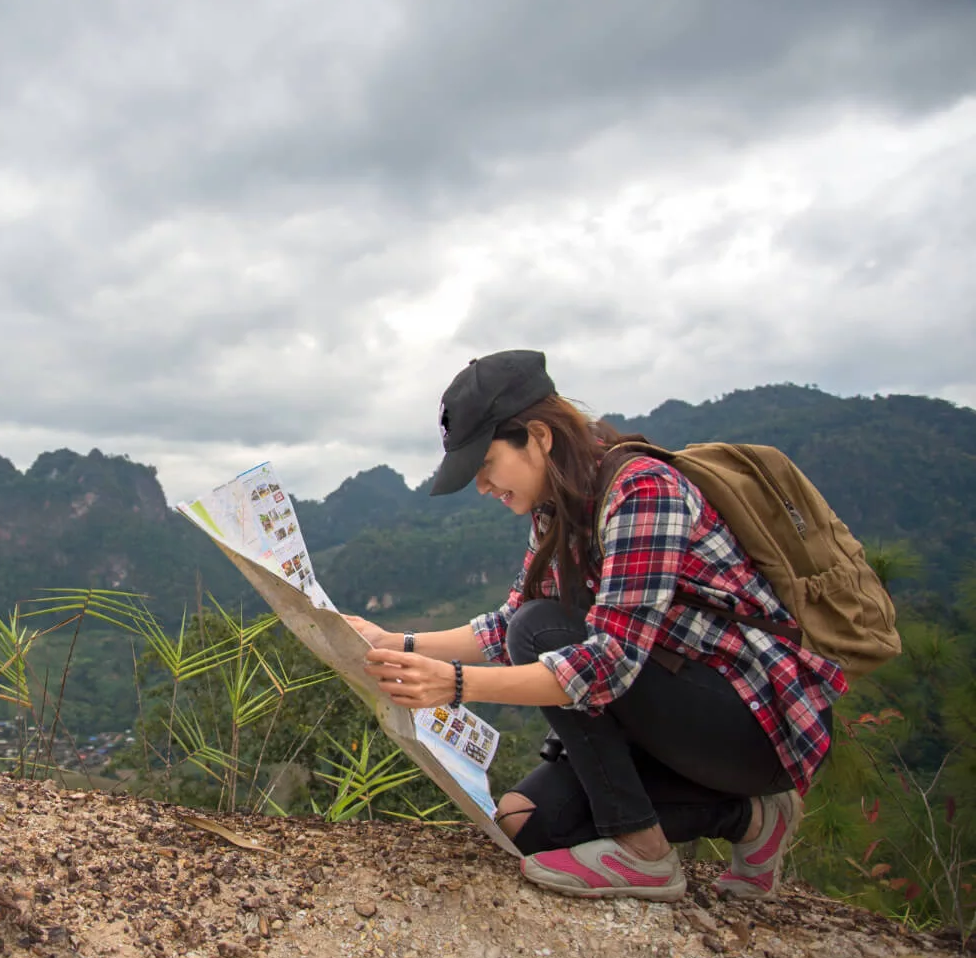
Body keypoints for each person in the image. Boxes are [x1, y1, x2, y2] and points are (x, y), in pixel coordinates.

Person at [345, 350, 846, 902]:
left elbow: (606, 662)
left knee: (540, 630)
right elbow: (505, 621)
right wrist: (395, 642)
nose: (482, 486)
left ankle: (643, 853)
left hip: (750, 723)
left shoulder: (642, 491)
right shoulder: (556, 507)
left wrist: (455, 684)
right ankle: (751, 818)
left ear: (537, 436)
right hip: (665, 721)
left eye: (486, 464)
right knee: (525, 824)